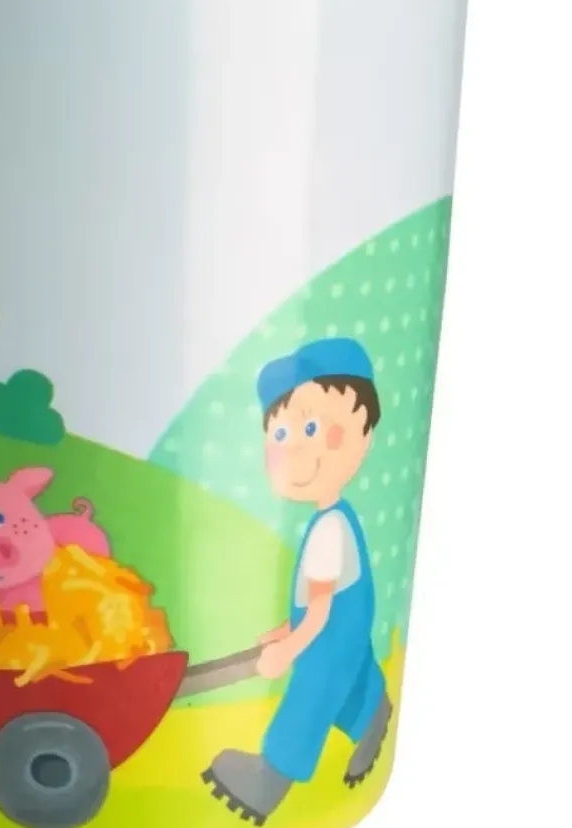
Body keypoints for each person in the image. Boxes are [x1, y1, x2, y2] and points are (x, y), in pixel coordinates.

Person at [203, 337, 393, 824]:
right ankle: (370, 707)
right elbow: (321, 602)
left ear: (361, 435)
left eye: (311, 428)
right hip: (340, 628)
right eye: (281, 433)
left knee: (312, 692)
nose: (294, 448)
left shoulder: (329, 528)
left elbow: (323, 610)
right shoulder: (332, 521)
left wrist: (290, 648)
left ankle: (269, 777)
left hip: (329, 632)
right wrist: (287, 631)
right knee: (347, 673)